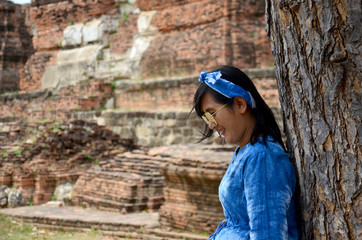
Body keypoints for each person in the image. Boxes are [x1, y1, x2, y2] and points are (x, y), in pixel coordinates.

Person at [192, 66, 298, 239]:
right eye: (206, 118)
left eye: (212, 114)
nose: (211, 125)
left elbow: (268, 235)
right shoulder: (246, 151)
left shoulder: (262, 158)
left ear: (240, 104)